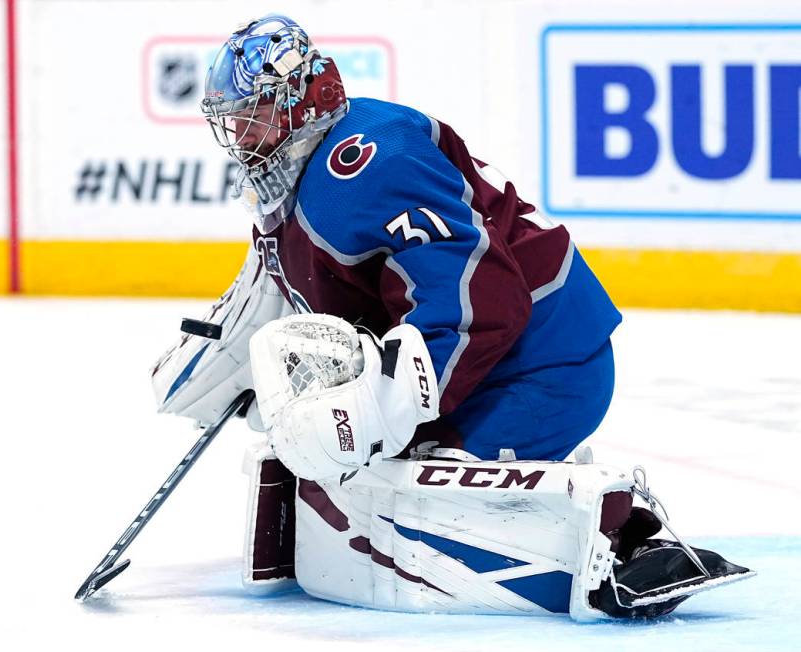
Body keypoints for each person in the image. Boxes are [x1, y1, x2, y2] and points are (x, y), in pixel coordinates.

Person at [150, 14, 752, 620]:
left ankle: (622, 545)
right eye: (235, 117)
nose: (242, 131)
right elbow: (279, 289)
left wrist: (385, 403)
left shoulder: (362, 164)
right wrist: (233, 354)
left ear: (303, 103)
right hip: (489, 365)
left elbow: (479, 297)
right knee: (347, 469)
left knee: (394, 482)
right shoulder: (304, 177)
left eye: (253, 113)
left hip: (545, 365)